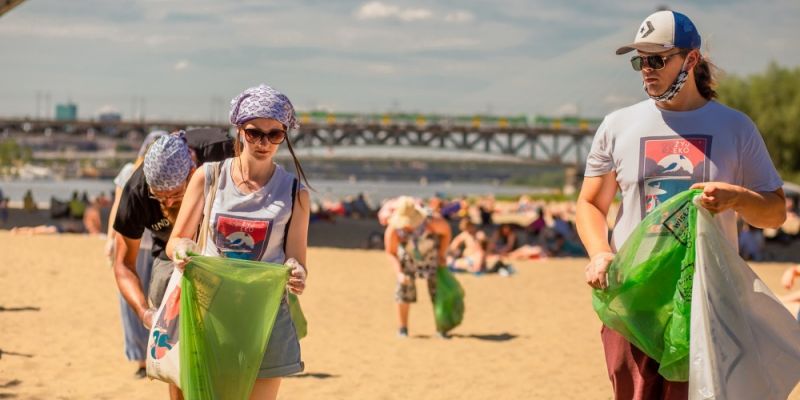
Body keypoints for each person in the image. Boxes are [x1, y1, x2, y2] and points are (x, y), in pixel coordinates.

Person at [576, 10, 786, 399]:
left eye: (657, 59)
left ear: (690, 60)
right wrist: (600, 252)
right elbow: (590, 203)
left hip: (706, 299)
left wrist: (736, 198)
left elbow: (775, 212)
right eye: (640, 60)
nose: (646, 70)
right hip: (633, 296)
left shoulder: (735, 127)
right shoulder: (617, 125)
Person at [166, 84, 309, 400]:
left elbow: (296, 258)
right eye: (255, 132)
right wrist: (182, 249)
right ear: (239, 130)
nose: (263, 142)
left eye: (275, 135)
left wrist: (296, 271)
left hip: (265, 316)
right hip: (210, 312)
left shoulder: (295, 192)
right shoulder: (209, 176)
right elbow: (177, 239)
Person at [112, 128, 234, 399]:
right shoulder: (137, 191)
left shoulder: (221, 152)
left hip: (221, 246)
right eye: (160, 197)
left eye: (176, 195)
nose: (167, 203)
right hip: (169, 255)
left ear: (194, 173)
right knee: (175, 330)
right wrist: (145, 313)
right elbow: (122, 264)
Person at [105, 130, 165, 379]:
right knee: (131, 302)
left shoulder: (166, 171)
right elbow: (119, 207)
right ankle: (140, 359)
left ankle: (158, 355)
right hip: (131, 244)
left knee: (160, 300)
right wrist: (110, 239)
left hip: (159, 244)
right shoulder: (129, 171)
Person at [384, 196, 451, 337]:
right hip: (407, 259)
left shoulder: (432, 221)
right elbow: (391, 252)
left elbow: (446, 232)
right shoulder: (394, 228)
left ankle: (441, 328)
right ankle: (403, 328)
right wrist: (399, 273)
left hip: (431, 257)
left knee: (438, 292)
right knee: (403, 291)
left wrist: (442, 255)